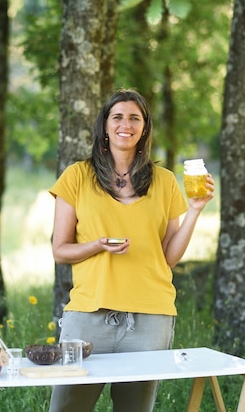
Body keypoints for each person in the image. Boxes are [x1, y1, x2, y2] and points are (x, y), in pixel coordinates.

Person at [48, 88, 215, 412]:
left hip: (150, 318)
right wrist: (97, 246)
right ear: (105, 126)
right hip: (88, 316)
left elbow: (168, 256)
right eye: (118, 117)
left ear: (144, 128)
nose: (126, 124)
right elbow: (60, 250)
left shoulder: (165, 182)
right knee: (67, 408)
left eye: (134, 118)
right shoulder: (77, 177)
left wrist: (195, 210)